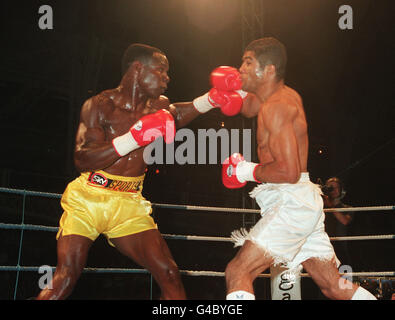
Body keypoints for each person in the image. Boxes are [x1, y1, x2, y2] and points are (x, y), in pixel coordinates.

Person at [35, 43, 242, 300]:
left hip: (129, 202)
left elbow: (176, 114)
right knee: (65, 279)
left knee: (168, 272)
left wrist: (210, 100)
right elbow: (82, 158)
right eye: (161, 70)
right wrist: (133, 138)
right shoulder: (99, 105)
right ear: (137, 68)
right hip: (88, 198)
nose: (167, 78)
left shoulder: (159, 106)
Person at [218, 37, 376, 300]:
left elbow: (288, 172)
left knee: (238, 271)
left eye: (248, 62)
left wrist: (245, 171)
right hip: (300, 202)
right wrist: (223, 92)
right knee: (334, 286)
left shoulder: (277, 107)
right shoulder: (277, 97)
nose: (240, 68)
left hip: (290, 202)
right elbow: (245, 108)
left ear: (268, 70)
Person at [322, 177, 354, 266]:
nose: (334, 190)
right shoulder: (319, 208)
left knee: (343, 277)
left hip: (341, 248)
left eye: (337, 187)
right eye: (330, 188)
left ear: (341, 190)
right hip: (323, 246)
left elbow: (344, 221)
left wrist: (330, 205)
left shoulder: (348, 208)